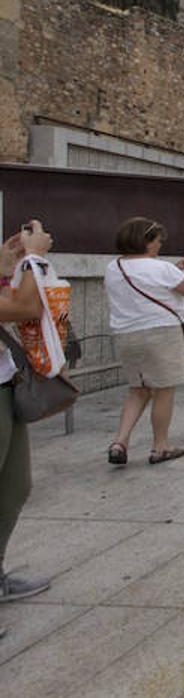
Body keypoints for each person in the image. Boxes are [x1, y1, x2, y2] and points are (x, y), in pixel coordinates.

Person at [104, 217, 184, 467]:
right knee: (164, 390)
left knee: (138, 390)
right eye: (158, 241)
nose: (160, 245)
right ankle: (160, 446)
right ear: (147, 241)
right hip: (161, 334)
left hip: (127, 335)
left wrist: (175, 270)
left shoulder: (113, 268)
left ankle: (120, 442)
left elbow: (146, 281)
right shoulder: (161, 269)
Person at [0, 223, 54, 604]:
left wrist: (8, 267)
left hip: (6, 383)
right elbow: (25, 308)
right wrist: (34, 258)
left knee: (15, 486)